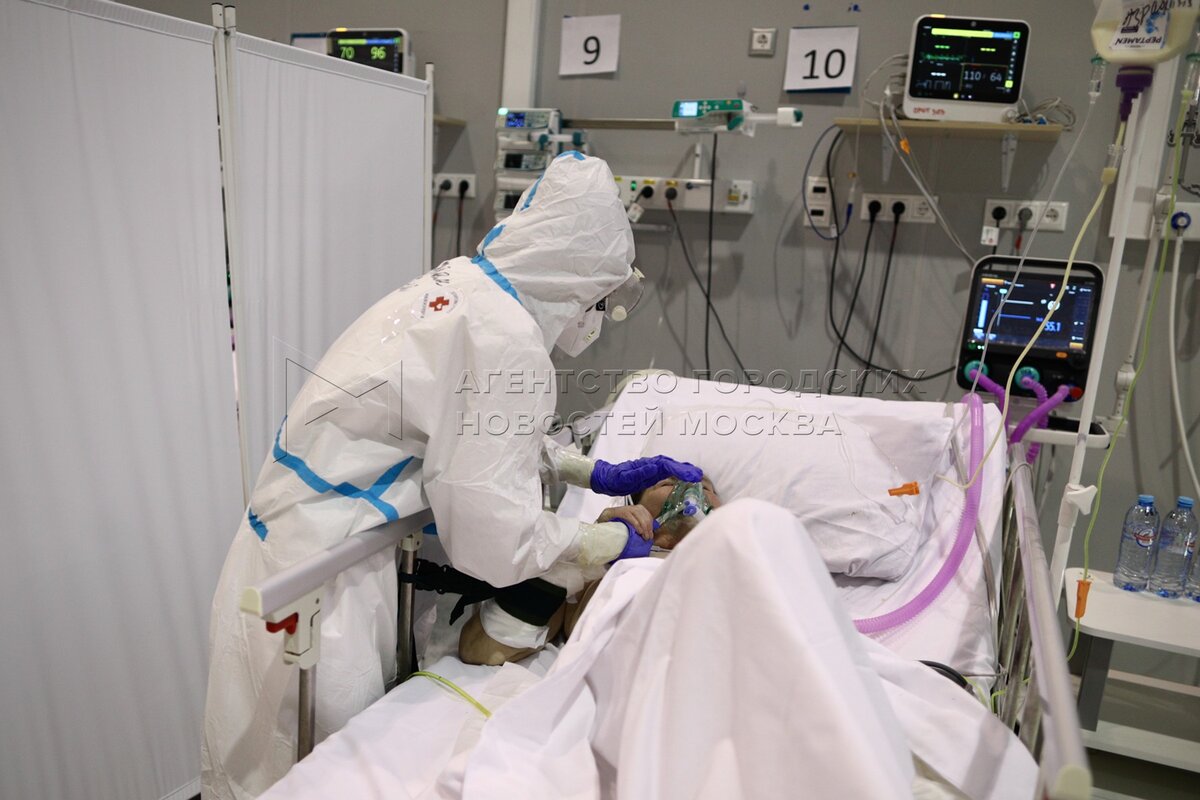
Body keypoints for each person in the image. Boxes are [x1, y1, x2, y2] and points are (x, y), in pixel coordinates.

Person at [201, 153, 701, 800]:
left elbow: (465, 439)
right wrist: (600, 542)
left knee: (277, 770)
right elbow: (495, 537)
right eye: (601, 301)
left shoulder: (465, 289)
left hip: (294, 541)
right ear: (576, 282)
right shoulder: (506, 342)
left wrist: (595, 472)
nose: (600, 318)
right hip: (325, 576)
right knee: (312, 774)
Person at [459, 475, 722, 665]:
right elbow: (479, 650)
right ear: (637, 506)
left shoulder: (736, 558)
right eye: (667, 484)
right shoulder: (592, 578)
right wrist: (590, 546)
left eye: (706, 487)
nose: (691, 490)